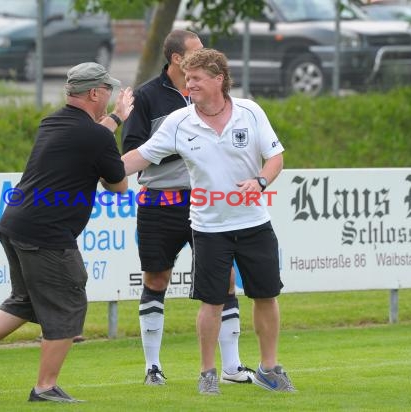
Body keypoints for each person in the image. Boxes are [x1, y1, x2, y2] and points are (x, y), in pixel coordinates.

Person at [0, 62, 134, 403]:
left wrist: (114, 120)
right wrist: (117, 127)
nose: (109, 97)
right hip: (47, 234)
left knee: (26, 301)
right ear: (94, 93)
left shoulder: (54, 121)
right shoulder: (95, 136)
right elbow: (118, 185)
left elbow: (93, 137)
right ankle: (45, 387)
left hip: (15, 224)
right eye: (107, 91)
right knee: (68, 302)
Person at [121, 48, 295, 394]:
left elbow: (275, 157)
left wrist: (260, 181)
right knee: (211, 301)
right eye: (187, 79)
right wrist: (102, 166)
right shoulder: (179, 122)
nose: (190, 85)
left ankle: (268, 368)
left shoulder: (250, 111)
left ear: (219, 79)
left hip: (254, 223)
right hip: (208, 228)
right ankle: (207, 373)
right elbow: (140, 156)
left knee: (266, 295)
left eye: (197, 78)